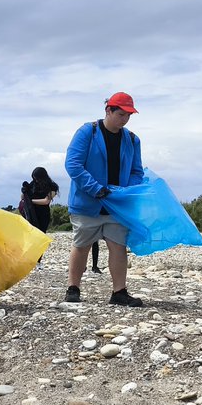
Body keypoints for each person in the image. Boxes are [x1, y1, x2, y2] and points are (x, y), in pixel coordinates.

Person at [64, 91, 145, 306]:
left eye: (128, 115)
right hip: (87, 203)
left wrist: (123, 191)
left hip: (116, 206)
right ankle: (73, 289)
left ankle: (119, 292)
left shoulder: (132, 139)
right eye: (121, 114)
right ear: (108, 110)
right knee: (82, 245)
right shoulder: (87, 132)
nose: (125, 119)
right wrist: (96, 189)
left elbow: (137, 171)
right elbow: (73, 164)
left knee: (118, 246)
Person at [21, 167, 59, 270]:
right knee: (30, 236)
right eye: (34, 178)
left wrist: (31, 201)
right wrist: (25, 192)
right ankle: (29, 259)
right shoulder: (32, 184)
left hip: (43, 214)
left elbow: (46, 201)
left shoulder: (52, 186)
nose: (36, 180)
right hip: (31, 213)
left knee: (41, 237)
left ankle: (38, 261)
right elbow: (23, 197)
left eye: (37, 178)